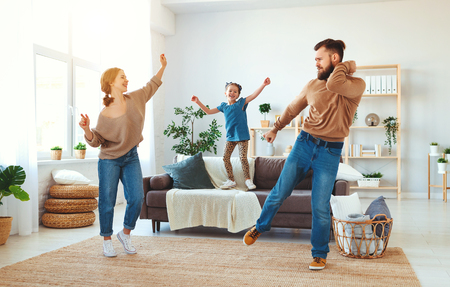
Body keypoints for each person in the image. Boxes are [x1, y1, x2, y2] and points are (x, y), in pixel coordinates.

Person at [243, 39, 366, 270]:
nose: (316, 64)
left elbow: (334, 85)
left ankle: (319, 254)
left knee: (319, 205)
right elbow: (292, 108)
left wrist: (346, 67)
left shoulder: (356, 85)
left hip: (330, 152)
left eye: (320, 59)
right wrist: (275, 128)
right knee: (280, 191)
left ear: (335, 59)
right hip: (304, 144)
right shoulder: (312, 85)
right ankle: (260, 226)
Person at [79, 54, 167, 257]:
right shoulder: (104, 113)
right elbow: (97, 140)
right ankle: (107, 240)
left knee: (137, 197)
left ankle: (125, 233)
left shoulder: (135, 98)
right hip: (109, 159)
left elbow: (152, 85)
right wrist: (86, 129)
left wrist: (162, 66)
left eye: (126, 77)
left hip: (131, 156)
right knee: (107, 201)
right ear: (111, 82)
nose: (126, 80)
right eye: (122, 77)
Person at [191, 78, 271, 190]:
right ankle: (231, 180)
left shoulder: (241, 103)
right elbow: (208, 112)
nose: (232, 93)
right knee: (225, 157)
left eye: (235, 92)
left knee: (243, 158)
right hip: (230, 137)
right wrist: (197, 102)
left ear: (238, 95)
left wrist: (263, 84)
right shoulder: (223, 106)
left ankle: (247, 180)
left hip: (242, 136)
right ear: (225, 93)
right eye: (230, 91)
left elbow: (253, 95)